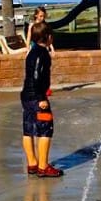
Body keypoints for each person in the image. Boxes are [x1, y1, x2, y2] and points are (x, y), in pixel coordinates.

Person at [21, 21, 63, 178]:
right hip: (37, 97)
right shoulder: (42, 54)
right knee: (45, 129)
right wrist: (41, 97)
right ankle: (43, 166)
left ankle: (32, 163)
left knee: (28, 129)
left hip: (26, 96)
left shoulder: (32, 51)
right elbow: (37, 76)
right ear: (49, 37)